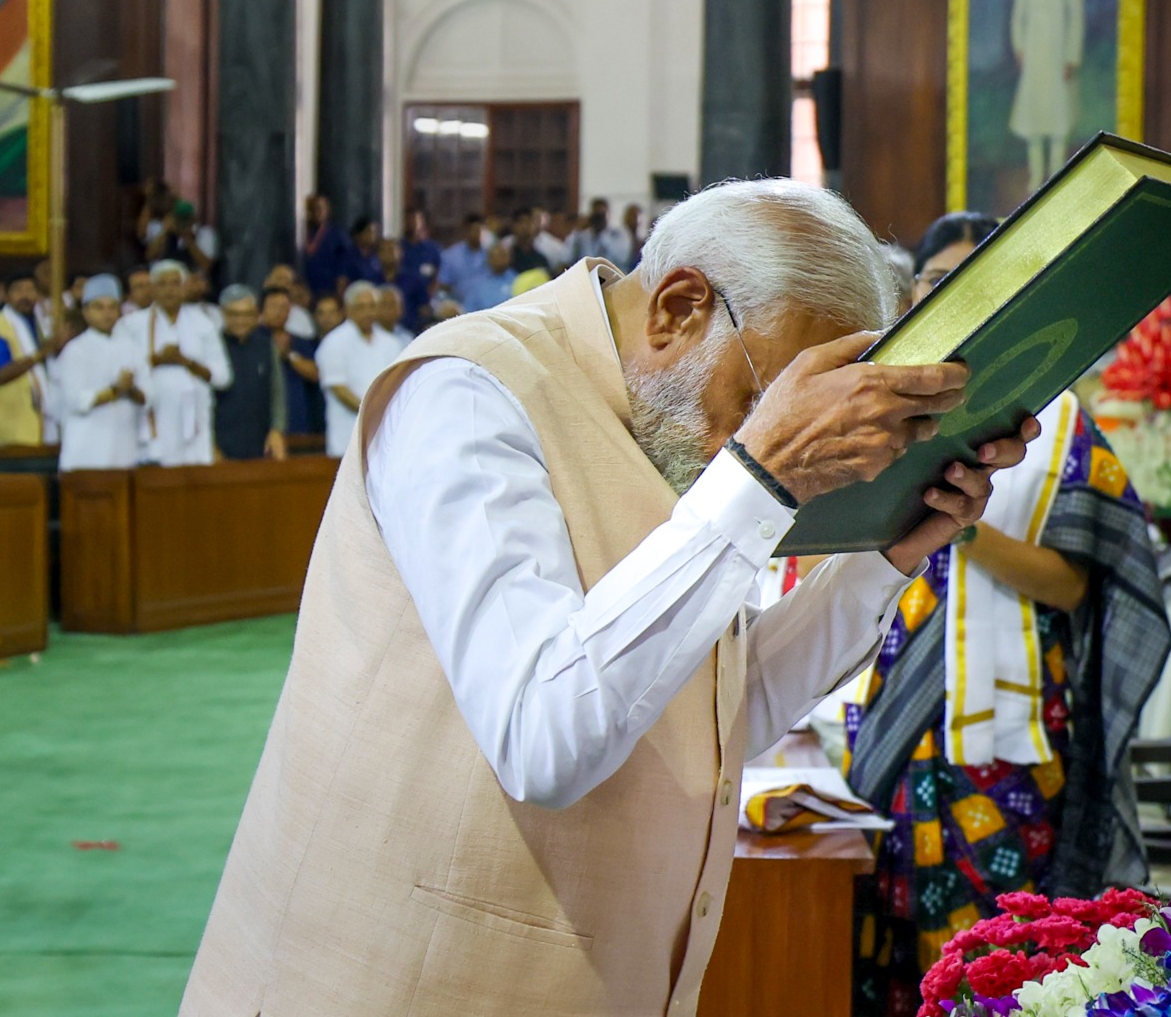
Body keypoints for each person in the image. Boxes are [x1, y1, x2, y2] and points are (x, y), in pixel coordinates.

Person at [181, 179, 1038, 1016]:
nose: (747, 441)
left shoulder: (663, 428)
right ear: (678, 308)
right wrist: (761, 473)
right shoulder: (468, 393)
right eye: (757, 402)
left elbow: (715, 711)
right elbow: (543, 736)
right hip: (396, 977)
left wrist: (881, 559)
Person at [846, 213, 1170, 1015]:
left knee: (1011, 961)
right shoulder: (875, 414)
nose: (955, 298)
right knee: (900, 943)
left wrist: (958, 519)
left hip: (1014, 741)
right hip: (899, 712)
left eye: (978, 282)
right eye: (936, 283)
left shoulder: (1052, 425)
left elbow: (1074, 587)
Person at [117, 259, 231, 466]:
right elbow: (122, 373)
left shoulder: (202, 323)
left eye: (175, 283)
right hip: (151, 421)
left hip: (195, 425)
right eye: (162, 284)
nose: (170, 290)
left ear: (185, 286)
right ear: (152, 288)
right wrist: (157, 360)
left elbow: (223, 377)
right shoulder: (131, 325)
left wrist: (185, 362)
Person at [1010, 0, 1084, 194]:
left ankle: (1056, 175)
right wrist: (1019, 46)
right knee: (1034, 112)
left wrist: (1071, 54)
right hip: (1034, 47)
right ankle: (1035, 176)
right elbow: (1020, 13)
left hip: (1057, 46)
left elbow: (1075, 11)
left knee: (1056, 113)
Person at [56, 275, 151, 471]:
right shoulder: (75, 350)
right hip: (85, 451)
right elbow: (76, 401)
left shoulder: (132, 348)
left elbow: (149, 397)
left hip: (125, 450)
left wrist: (130, 389)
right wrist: (116, 390)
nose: (107, 314)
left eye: (112, 307)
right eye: (99, 307)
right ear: (85, 312)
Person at [313, 281, 405, 458]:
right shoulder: (334, 342)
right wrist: (372, 410)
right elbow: (338, 388)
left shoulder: (392, 343)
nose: (368, 312)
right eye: (361, 307)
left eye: (372, 306)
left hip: (386, 436)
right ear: (349, 309)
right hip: (347, 437)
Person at [0, 271, 57, 447]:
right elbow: (0, 374)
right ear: (5, 295)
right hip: (8, 425)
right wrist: (40, 354)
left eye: (31, 290)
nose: (25, 296)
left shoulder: (44, 325)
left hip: (42, 423)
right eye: (18, 290)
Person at [214, 285, 287, 462]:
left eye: (247, 314)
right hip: (221, 445)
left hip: (261, 444)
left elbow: (277, 391)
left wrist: (277, 430)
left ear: (256, 315)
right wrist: (210, 445)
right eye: (234, 314)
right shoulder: (213, 346)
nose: (241, 320)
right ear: (223, 314)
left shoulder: (265, 346)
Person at [261, 286, 322, 436]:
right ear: (261, 309)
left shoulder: (300, 342)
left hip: (297, 421)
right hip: (263, 423)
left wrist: (289, 355)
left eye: (284, 307)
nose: (279, 312)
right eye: (274, 306)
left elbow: (315, 374)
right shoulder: (255, 341)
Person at [396, 209, 442, 329]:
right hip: (404, 298)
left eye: (416, 220)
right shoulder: (398, 247)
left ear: (422, 223)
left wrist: (428, 297)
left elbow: (437, 276)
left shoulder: (432, 249)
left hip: (426, 298)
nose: (413, 223)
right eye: (409, 220)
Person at [146, 200, 218, 273]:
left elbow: (207, 266)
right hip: (165, 277)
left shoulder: (205, 234)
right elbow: (150, 256)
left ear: (194, 219)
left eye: (185, 219)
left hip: (193, 280)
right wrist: (165, 231)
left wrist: (187, 237)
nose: (181, 223)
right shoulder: (163, 231)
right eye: (178, 219)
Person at [302, 194, 352, 299]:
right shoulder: (304, 232)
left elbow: (344, 263)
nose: (318, 212)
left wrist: (340, 287)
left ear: (327, 210)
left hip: (329, 288)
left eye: (321, 209)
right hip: (308, 288)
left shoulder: (337, 235)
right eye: (314, 209)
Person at [565, 197, 634, 270]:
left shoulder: (618, 235)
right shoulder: (581, 237)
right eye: (597, 215)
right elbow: (568, 257)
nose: (600, 219)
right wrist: (578, 228)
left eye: (602, 215)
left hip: (613, 276)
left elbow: (622, 258)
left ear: (609, 214)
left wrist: (602, 234)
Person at [439, 213, 488, 306]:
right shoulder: (450, 255)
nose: (475, 234)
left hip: (486, 308)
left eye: (478, 230)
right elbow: (443, 287)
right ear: (465, 231)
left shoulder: (490, 255)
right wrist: (444, 303)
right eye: (472, 230)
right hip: (458, 309)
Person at [462, 241, 518, 313]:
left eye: (502, 256)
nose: (499, 260)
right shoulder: (478, 284)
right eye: (495, 257)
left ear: (509, 258)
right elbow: (468, 310)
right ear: (488, 259)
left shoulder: (518, 280)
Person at [342, 217, 385, 287]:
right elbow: (342, 282)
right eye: (369, 232)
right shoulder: (348, 256)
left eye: (375, 232)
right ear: (358, 235)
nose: (373, 235)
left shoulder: (377, 255)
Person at [621, 203, 645, 269]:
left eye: (634, 216)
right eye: (630, 215)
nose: (632, 219)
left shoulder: (644, 243)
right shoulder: (616, 241)